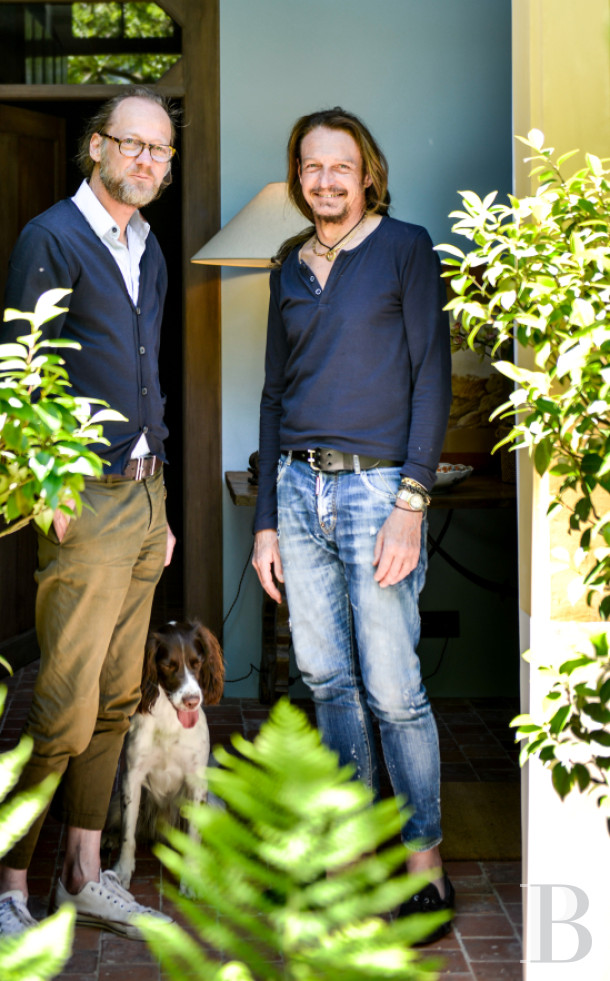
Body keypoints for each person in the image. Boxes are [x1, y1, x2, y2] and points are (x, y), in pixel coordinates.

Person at [0, 88, 178, 941]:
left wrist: (159, 494)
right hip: (83, 495)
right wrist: (45, 482)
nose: (146, 161)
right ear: (96, 146)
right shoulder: (52, 237)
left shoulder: (148, 245)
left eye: (160, 151)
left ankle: (85, 873)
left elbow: (146, 370)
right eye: (132, 145)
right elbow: (19, 365)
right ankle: (6, 885)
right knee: (62, 702)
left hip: (144, 494)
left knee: (119, 695)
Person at [251, 107, 453, 944]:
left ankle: (423, 862)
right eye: (311, 166)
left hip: (379, 492)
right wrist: (265, 522)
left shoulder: (407, 248)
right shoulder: (287, 266)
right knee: (327, 681)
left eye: (341, 166)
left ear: (367, 173)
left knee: (394, 691)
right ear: (298, 176)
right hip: (298, 488)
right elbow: (273, 394)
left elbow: (432, 377)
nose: (325, 180)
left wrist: (412, 500)